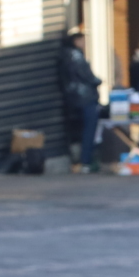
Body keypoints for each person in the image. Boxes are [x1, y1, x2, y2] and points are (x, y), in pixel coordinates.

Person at [56, 31, 101, 172]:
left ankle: (79, 160)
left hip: (72, 99)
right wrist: (97, 81)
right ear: (76, 41)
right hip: (85, 98)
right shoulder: (75, 56)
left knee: (77, 131)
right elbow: (87, 76)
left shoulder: (64, 56)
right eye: (82, 41)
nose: (85, 44)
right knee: (89, 130)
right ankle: (85, 162)